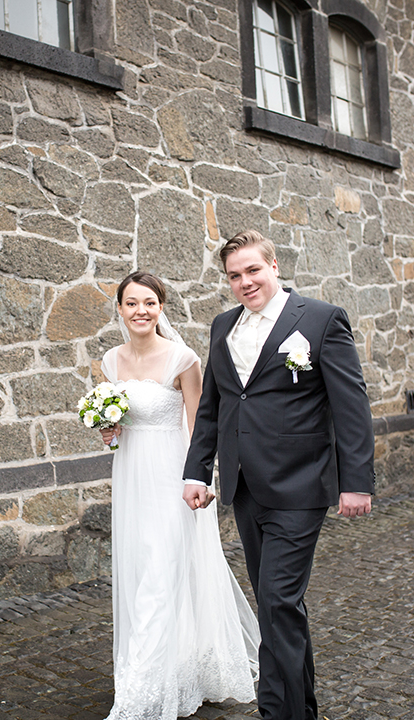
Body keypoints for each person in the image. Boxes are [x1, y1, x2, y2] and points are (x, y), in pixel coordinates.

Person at [182, 231, 375, 720]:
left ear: (273, 265)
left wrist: (357, 482)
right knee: (281, 606)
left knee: (275, 601)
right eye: (234, 276)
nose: (244, 282)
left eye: (253, 270)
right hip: (245, 488)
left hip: (300, 484)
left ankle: (278, 714)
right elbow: (214, 407)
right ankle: (300, 708)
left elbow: (351, 407)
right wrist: (197, 472)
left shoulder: (320, 319)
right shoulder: (224, 325)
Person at [96, 271, 260, 720]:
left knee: (163, 572)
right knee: (139, 569)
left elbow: (201, 426)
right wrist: (108, 433)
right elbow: (113, 435)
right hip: (131, 476)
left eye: (149, 302)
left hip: (174, 476)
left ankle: (144, 691)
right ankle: (165, 669)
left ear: (161, 307)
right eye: (131, 303)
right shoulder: (110, 362)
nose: (141, 311)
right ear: (120, 309)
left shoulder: (182, 359)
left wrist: (203, 480)